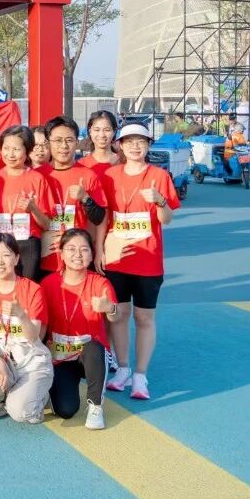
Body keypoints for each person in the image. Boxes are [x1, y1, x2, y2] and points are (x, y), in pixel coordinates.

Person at [101, 122, 179, 400]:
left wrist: (160, 202)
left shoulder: (159, 176)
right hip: (117, 259)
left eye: (141, 141)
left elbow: (166, 220)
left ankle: (140, 375)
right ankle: (122, 368)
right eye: (130, 141)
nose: (136, 146)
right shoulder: (109, 176)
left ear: (148, 145)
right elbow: (104, 218)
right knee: (119, 314)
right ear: (120, 146)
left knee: (144, 317)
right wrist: (100, 251)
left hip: (147, 260)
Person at [0, 232, 54, 424]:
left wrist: (21, 315)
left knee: (20, 413)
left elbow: (34, 337)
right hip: (6, 361)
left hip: (32, 363)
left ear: (17, 258)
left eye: (6, 255)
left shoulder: (33, 290)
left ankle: (40, 398)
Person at [42, 228, 118, 430]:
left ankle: (95, 406)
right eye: (71, 249)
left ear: (92, 255)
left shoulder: (100, 283)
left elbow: (115, 317)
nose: (78, 254)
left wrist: (109, 308)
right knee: (65, 410)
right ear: (61, 253)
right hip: (61, 357)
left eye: (84, 249)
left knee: (94, 347)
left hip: (89, 355)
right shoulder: (48, 284)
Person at [40, 116, 107, 280]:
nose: (64, 146)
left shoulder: (88, 175)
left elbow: (99, 218)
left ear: (77, 143)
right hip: (44, 256)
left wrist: (85, 198)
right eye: (58, 140)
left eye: (69, 140)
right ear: (48, 143)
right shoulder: (36, 175)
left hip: (78, 259)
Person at [0, 125, 55, 281]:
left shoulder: (37, 179)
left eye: (16, 149)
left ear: (27, 151)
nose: (10, 154)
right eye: (6, 148)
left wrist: (33, 208)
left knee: (26, 287)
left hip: (27, 244)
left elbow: (47, 224)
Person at [79, 111, 121, 178]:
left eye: (107, 130)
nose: (102, 135)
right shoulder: (81, 165)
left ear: (114, 131)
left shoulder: (124, 162)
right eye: (97, 130)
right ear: (90, 131)